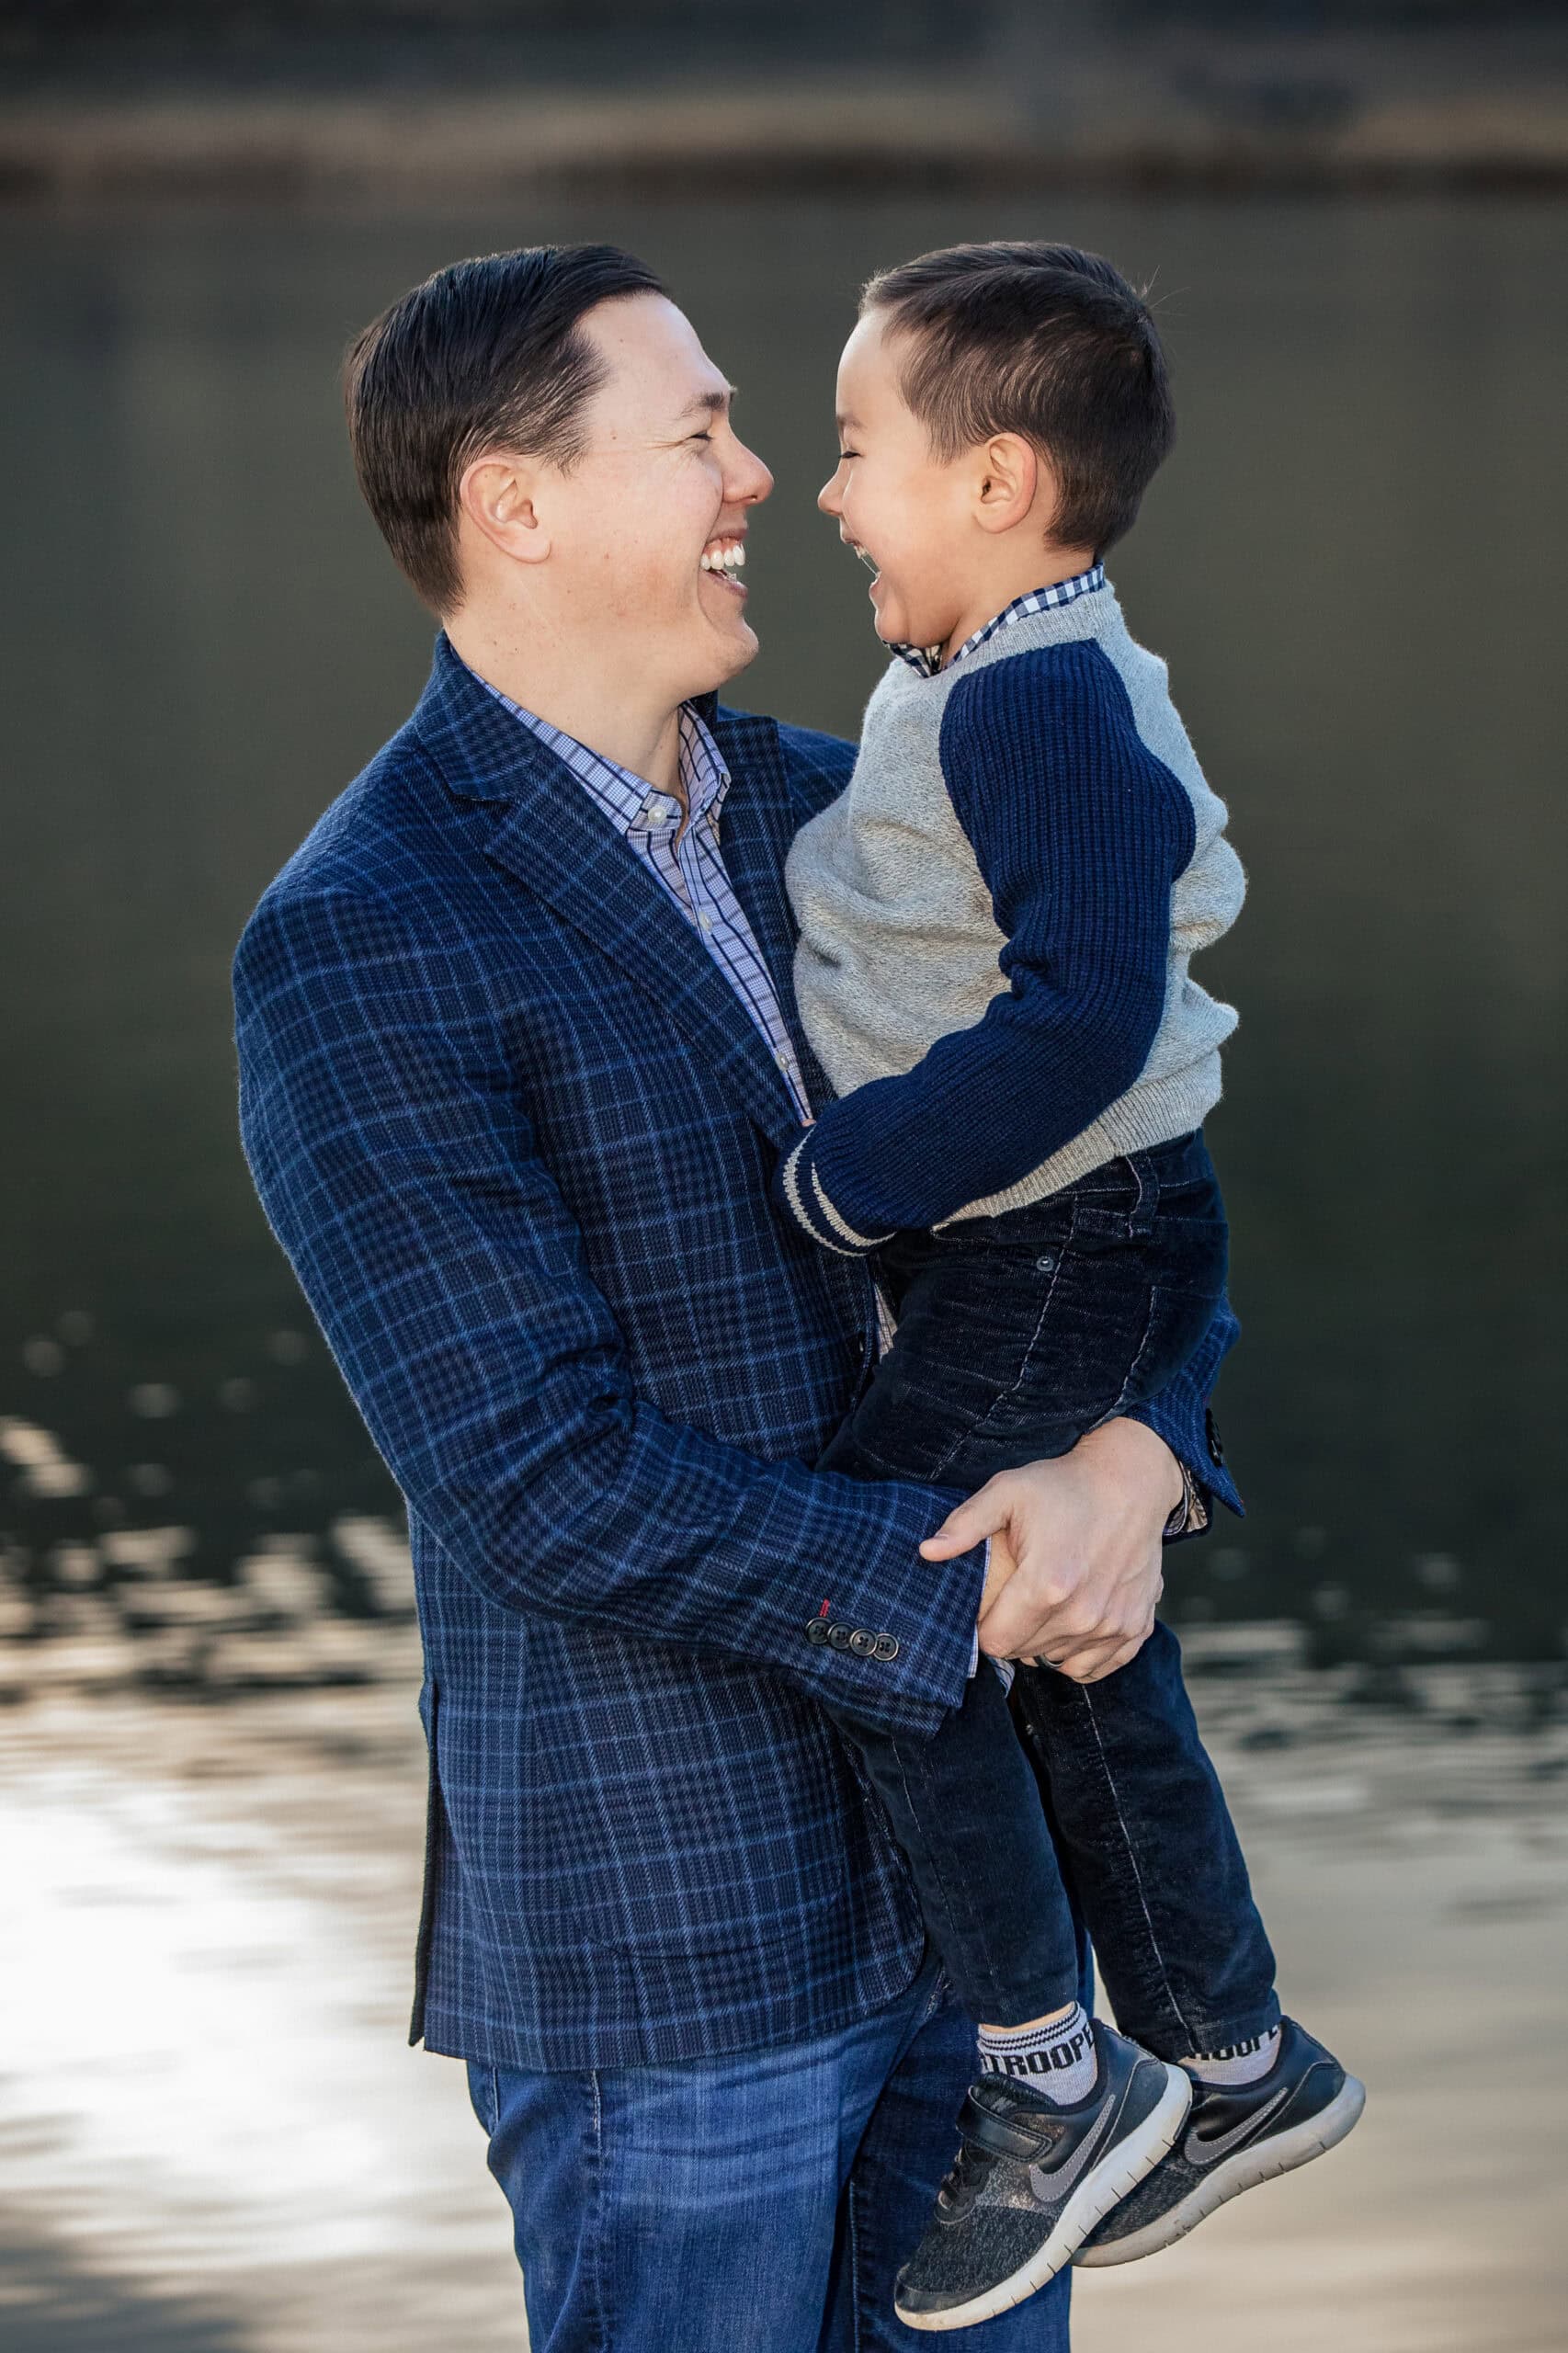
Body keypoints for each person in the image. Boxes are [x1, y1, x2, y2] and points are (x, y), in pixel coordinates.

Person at [233, 243, 1233, 2352]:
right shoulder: (360, 935)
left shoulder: (855, 793)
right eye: (696, 433)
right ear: (516, 501)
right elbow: (537, 1472)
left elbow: (1125, 1164)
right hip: (670, 1954)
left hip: (989, 1958)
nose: (762, 474)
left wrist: (1141, 1455)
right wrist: (969, 1575)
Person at [771, 242, 1364, 2332]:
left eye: (857, 452)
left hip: (1054, 1231)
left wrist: (852, 1183)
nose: (828, 494)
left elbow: (1088, 1007)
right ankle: (1229, 2052)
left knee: (889, 1594)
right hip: (1083, 1230)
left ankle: (1046, 2065)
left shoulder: (1031, 698)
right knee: (1062, 1642)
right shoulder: (1006, 669)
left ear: (998, 482)